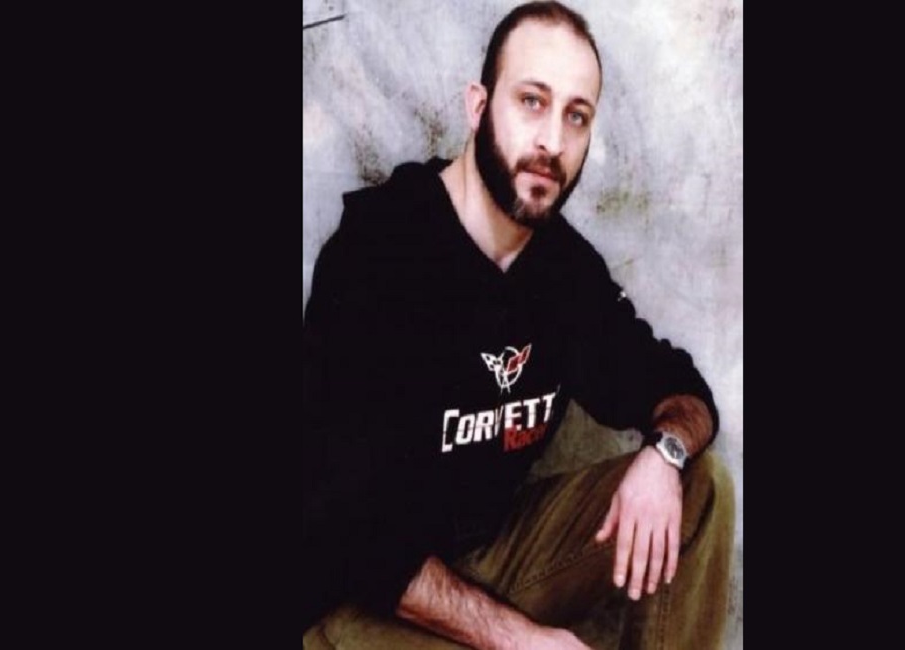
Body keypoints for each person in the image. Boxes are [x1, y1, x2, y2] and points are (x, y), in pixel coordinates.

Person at [302, 2, 734, 648]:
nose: (552, 142)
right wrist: (521, 640)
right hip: (363, 600)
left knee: (701, 486)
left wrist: (664, 454)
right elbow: (351, 528)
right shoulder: (378, 255)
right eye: (532, 101)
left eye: (576, 115)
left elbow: (679, 388)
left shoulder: (563, 270)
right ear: (478, 107)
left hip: (495, 558)